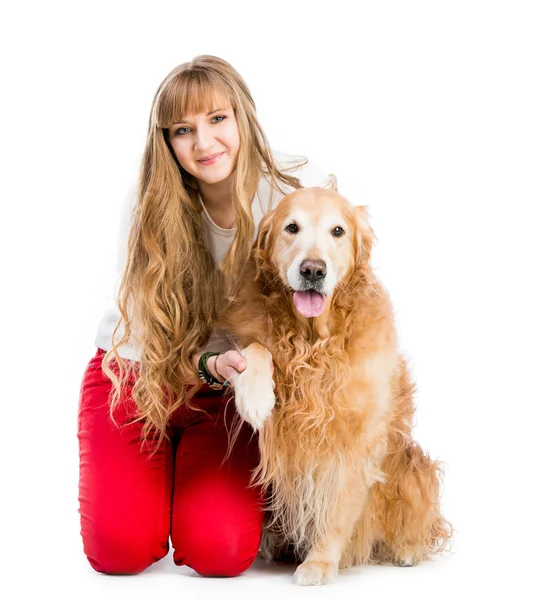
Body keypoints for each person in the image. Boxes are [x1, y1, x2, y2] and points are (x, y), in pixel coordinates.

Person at [77, 55, 336, 578]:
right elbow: (146, 335)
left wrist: (232, 368)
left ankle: (186, 488)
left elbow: (332, 288)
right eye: (183, 129)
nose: (204, 142)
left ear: (242, 115)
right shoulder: (149, 205)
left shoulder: (293, 187)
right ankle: (149, 481)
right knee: (119, 552)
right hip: (136, 377)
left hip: (224, 391)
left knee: (219, 553)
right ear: (167, 142)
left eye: (218, 119)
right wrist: (209, 364)